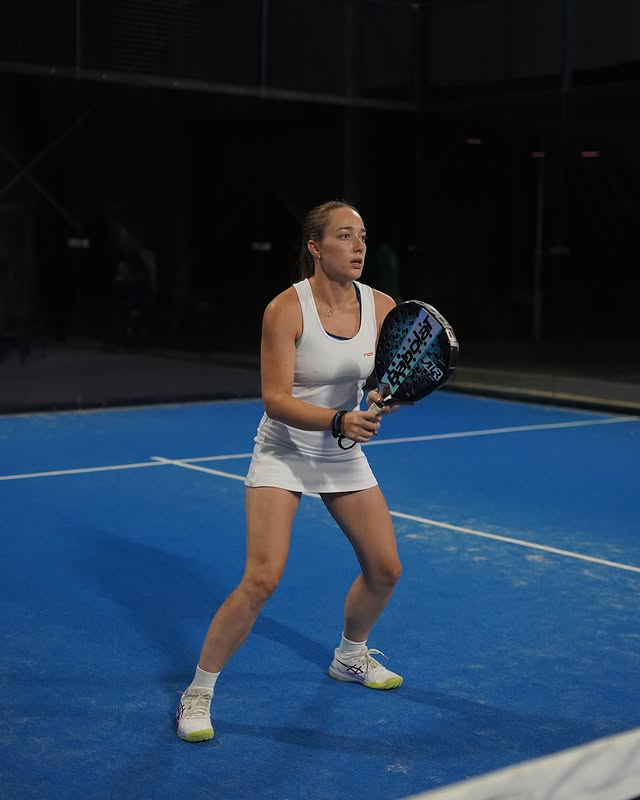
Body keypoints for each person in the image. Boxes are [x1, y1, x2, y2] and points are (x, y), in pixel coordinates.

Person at [176, 199, 405, 743]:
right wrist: (340, 419)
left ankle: (350, 656)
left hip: (341, 449)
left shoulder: (382, 307)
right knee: (263, 577)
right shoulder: (285, 309)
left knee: (385, 569)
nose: (358, 246)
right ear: (315, 247)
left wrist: (383, 399)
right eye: (344, 236)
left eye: (362, 236)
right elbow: (275, 400)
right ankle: (198, 691)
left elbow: (383, 381)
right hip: (284, 450)